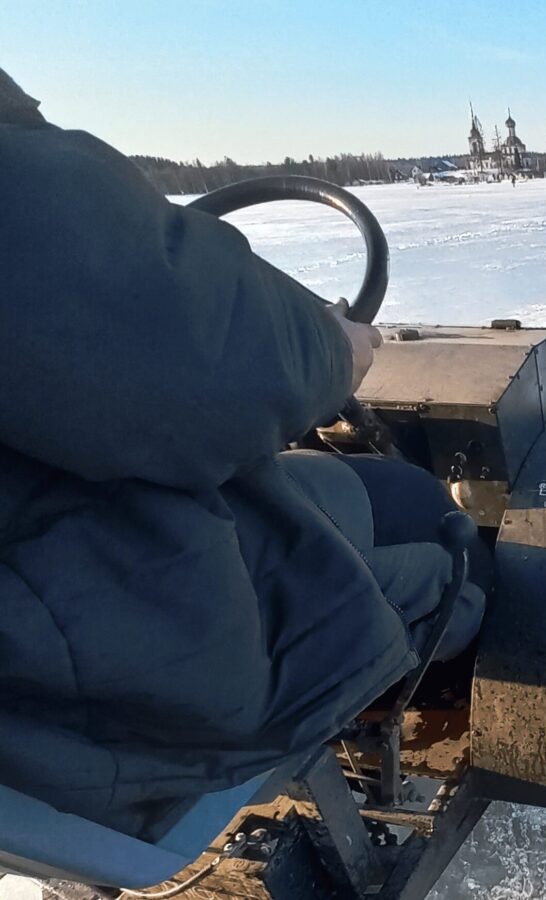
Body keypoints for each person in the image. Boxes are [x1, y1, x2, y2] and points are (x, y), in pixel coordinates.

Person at [0, 68, 487, 836]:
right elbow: (198, 358)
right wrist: (332, 346)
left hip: (35, 634)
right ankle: (426, 710)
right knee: (415, 508)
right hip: (113, 642)